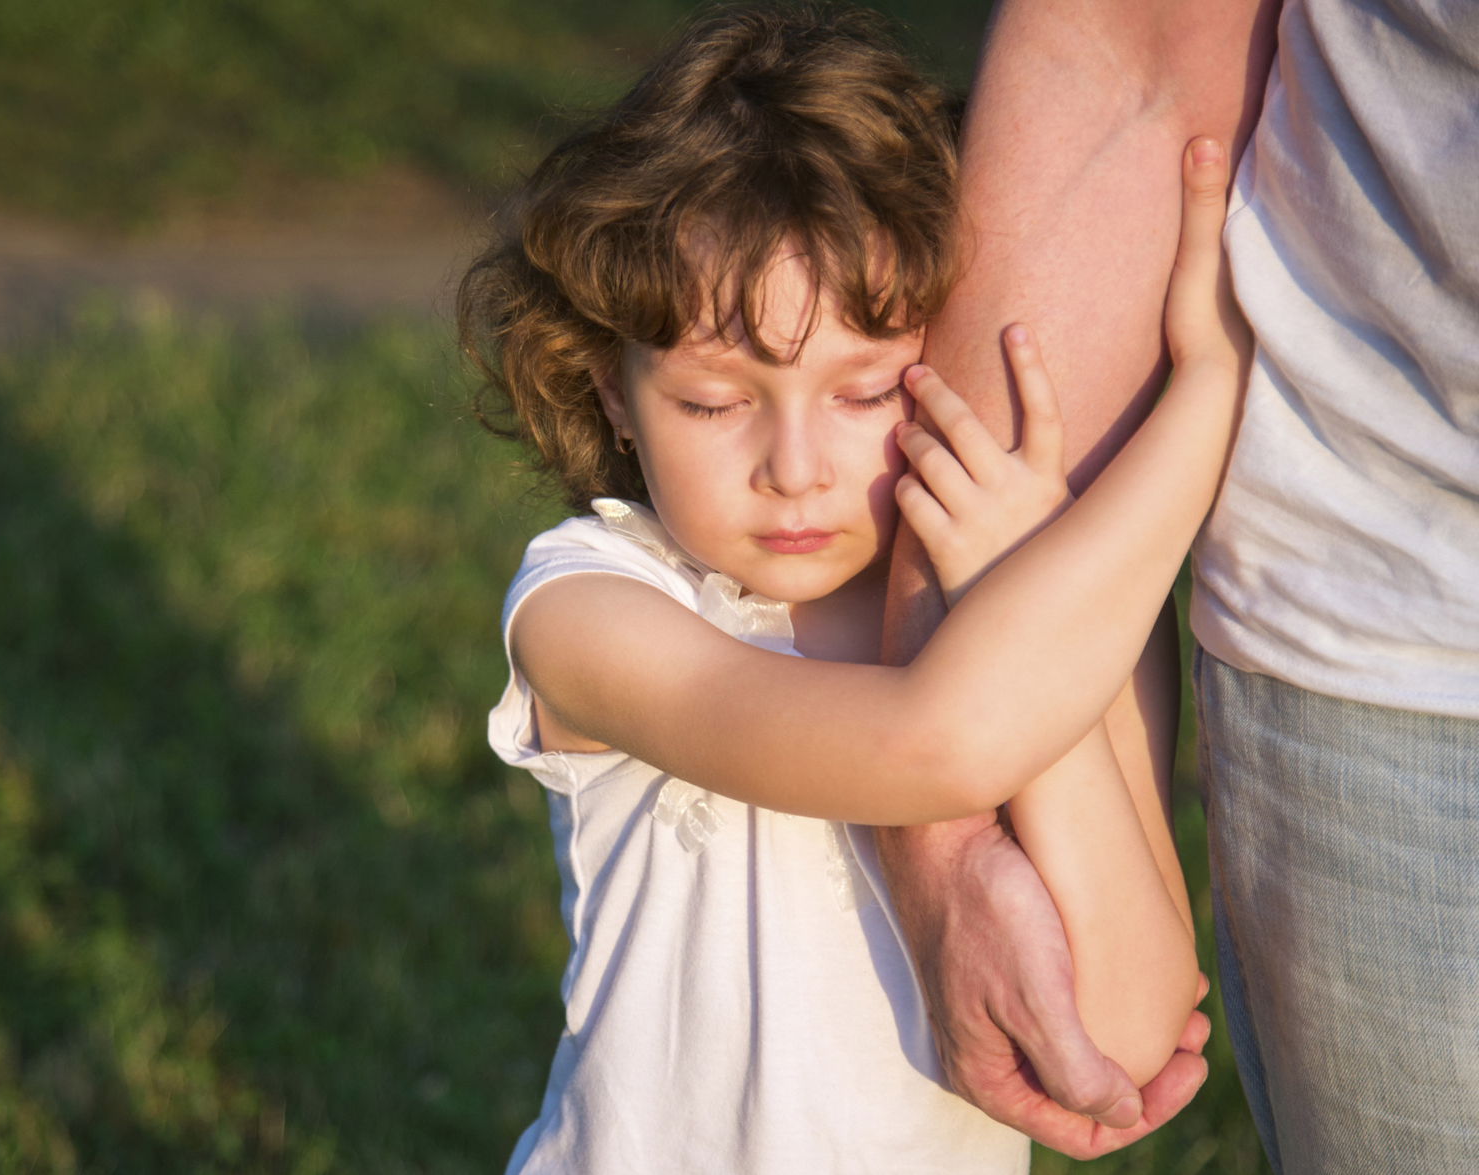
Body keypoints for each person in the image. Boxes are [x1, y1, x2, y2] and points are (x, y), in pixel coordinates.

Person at [456, 8, 1247, 1170]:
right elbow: (942, 741)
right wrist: (1209, 402)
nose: (794, 467)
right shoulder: (588, 609)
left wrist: (1026, 588)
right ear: (615, 394)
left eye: (865, 389)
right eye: (714, 403)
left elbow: (1124, 1038)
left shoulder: (1017, 597)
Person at [876, 0, 1479, 1168]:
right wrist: (953, 840)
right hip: (1413, 621)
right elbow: (1122, 43)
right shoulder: (584, 629)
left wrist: (1208, 383)